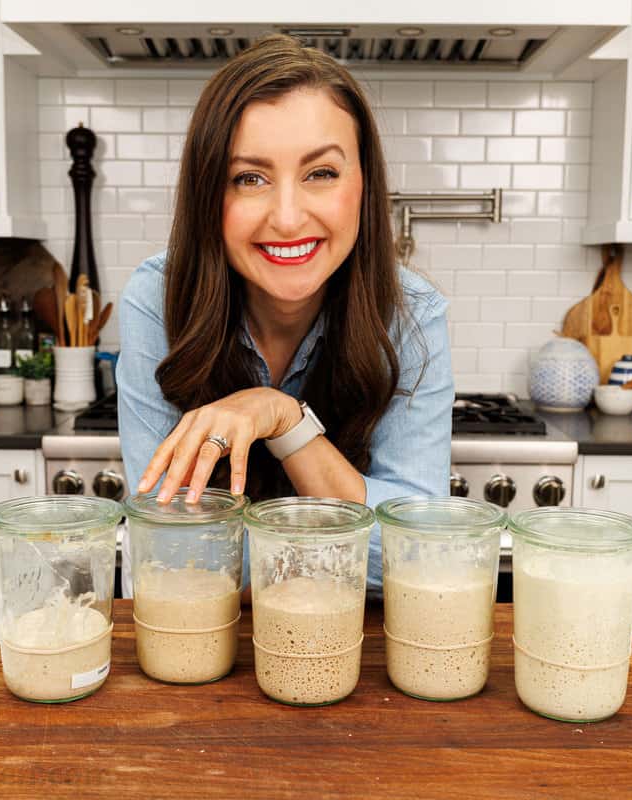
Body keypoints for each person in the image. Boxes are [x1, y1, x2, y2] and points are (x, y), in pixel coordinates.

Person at [115, 34, 453, 595]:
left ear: (363, 184)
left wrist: (285, 421)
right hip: (195, 646)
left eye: (321, 173)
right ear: (208, 195)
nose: (289, 217)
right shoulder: (157, 299)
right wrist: (337, 542)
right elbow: (171, 551)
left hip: (350, 651)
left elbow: (420, 554)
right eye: (250, 178)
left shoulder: (411, 314)